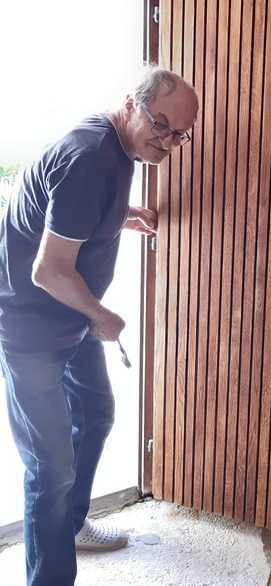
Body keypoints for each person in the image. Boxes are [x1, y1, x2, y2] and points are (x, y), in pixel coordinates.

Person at [0, 67, 198, 586]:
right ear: (131, 104)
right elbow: (48, 271)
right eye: (161, 125)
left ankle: (69, 524)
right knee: (50, 469)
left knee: (95, 413)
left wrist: (117, 214)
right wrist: (102, 315)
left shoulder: (117, 149)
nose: (169, 142)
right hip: (32, 330)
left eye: (180, 134)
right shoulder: (90, 157)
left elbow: (66, 207)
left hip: (69, 317)